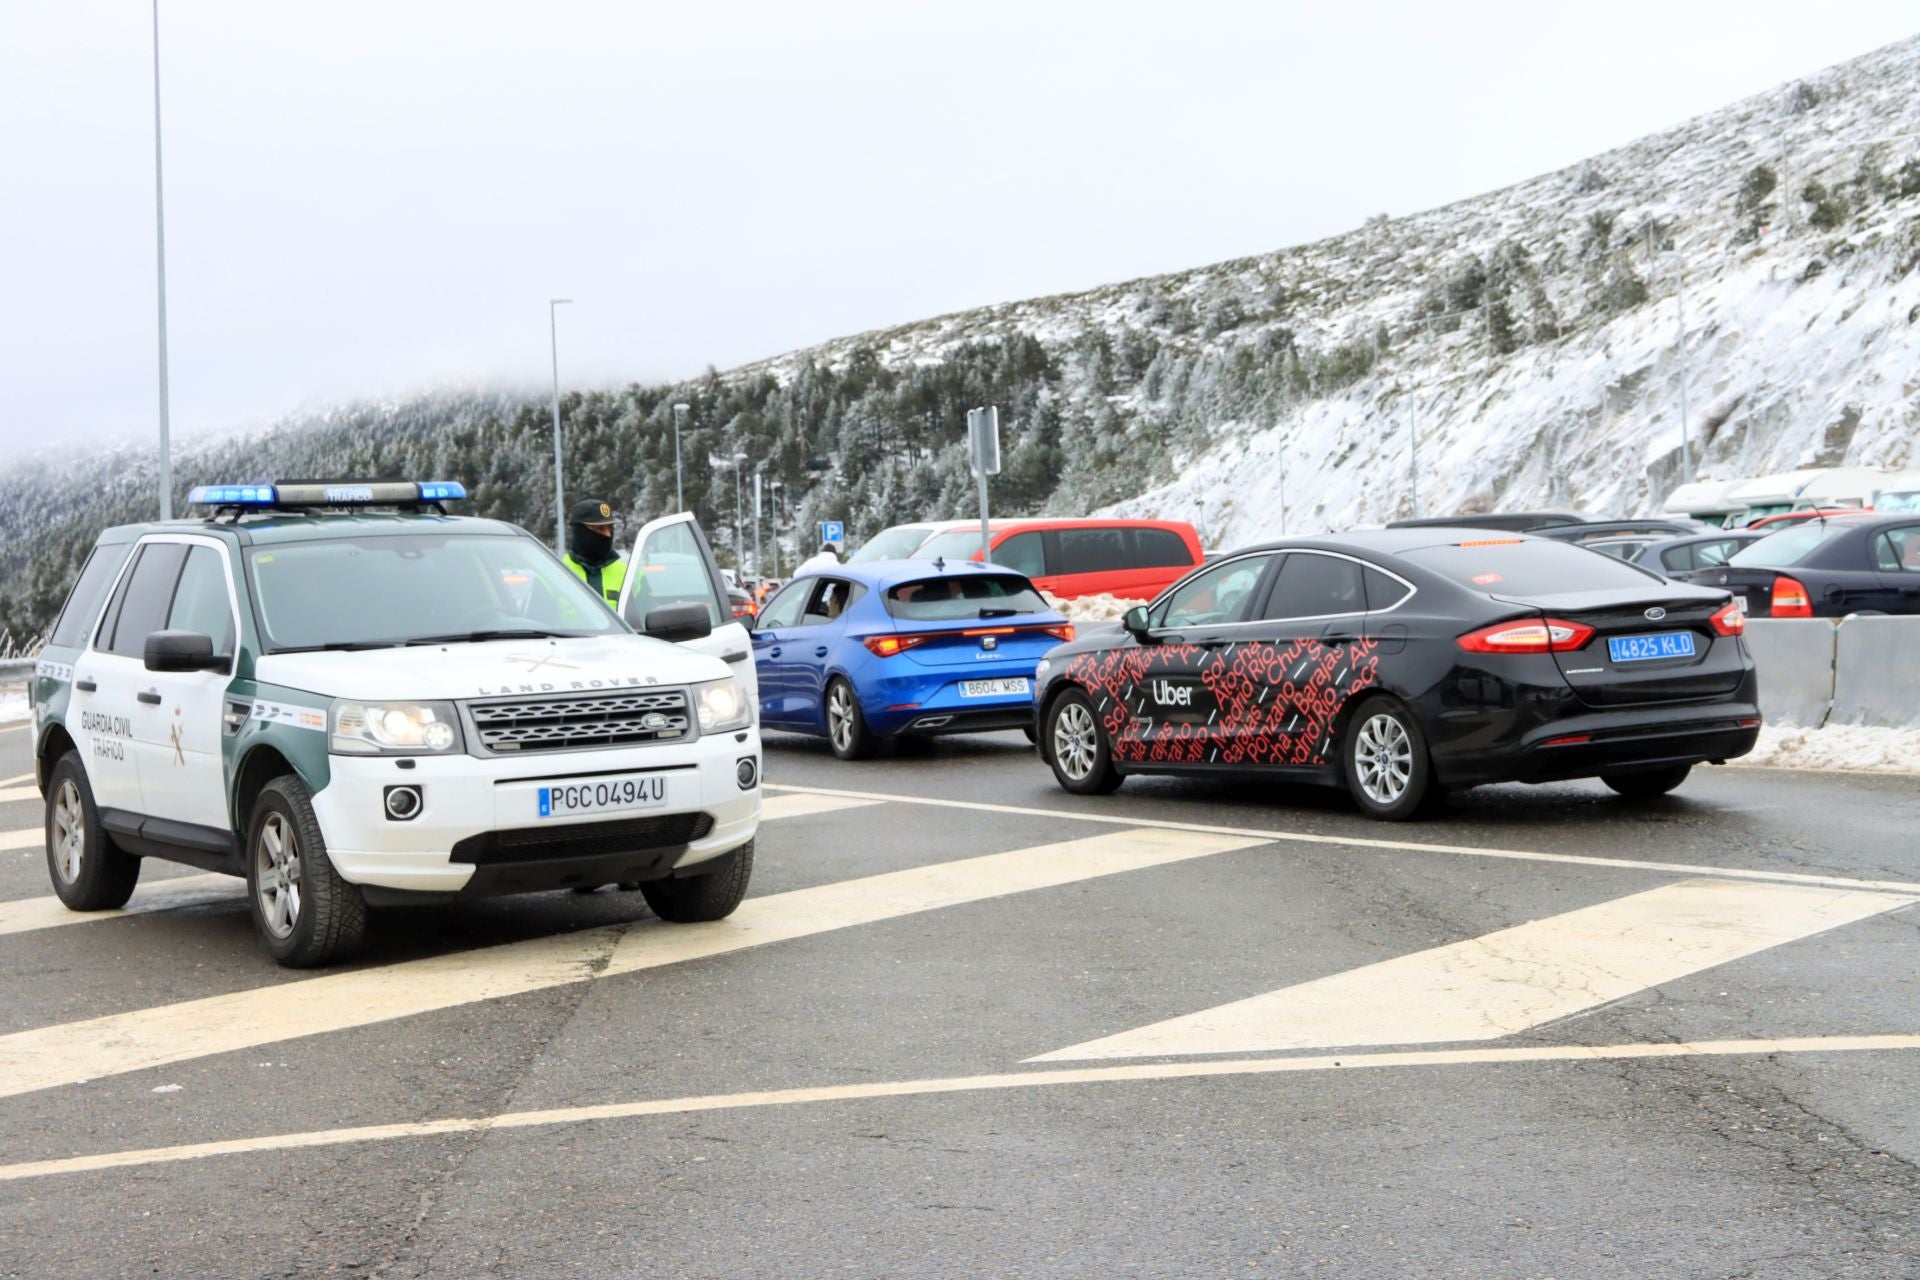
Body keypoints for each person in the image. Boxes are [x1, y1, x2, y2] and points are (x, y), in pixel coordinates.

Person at [561, 498, 629, 610]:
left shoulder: (628, 574)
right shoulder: (556, 574)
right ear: (580, 531)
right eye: (600, 528)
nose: (607, 535)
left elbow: (648, 619)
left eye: (610, 528)